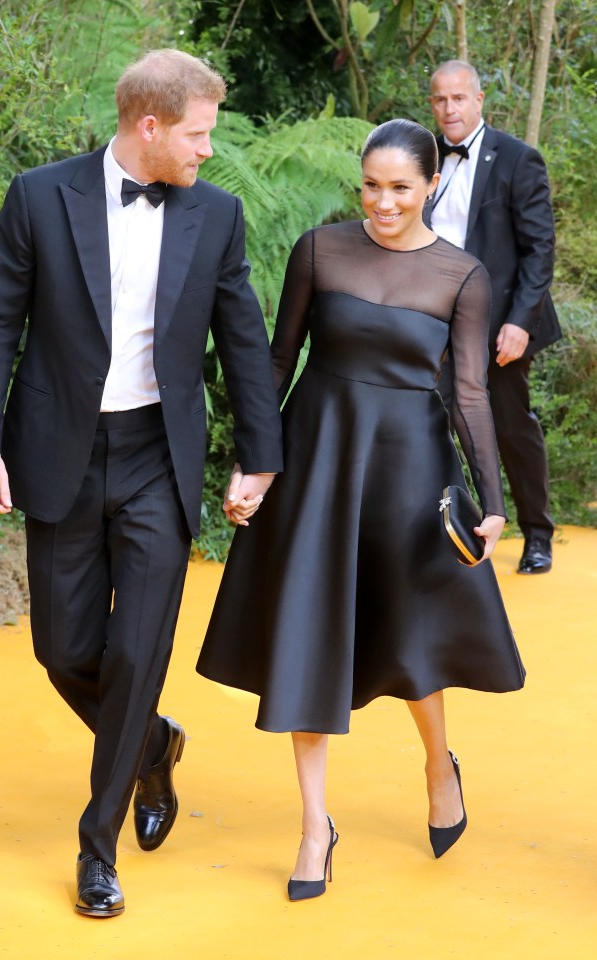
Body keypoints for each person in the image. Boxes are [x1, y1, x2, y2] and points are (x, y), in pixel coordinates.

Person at [0, 49, 283, 918]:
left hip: (158, 458)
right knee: (63, 649)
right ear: (149, 126)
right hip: (58, 450)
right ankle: (151, 743)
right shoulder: (39, 195)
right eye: (198, 133)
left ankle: (96, 848)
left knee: (138, 652)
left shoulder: (215, 216)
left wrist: (260, 454)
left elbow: (242, 339)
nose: (206, 150)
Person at [196, 119, 525, 901]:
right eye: (371, 185)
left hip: (409, 471)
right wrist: (253, 463)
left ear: (431, 185)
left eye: (400, 187)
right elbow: (278, 362)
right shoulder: (319, 249)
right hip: (317, 459)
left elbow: (471, 392)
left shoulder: (461, 275)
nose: (382, 201)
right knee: (306, 637)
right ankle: (314, 827)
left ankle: (437, 764)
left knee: (409, 636)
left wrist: (491, 500)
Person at [427, 60, 561, 574]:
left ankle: (537, 533)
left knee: (509, 426)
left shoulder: (518, 159)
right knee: (432, 421)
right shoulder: (425, 156)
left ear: (479, 100)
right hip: (436, 319)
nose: (449, 109)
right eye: (440, 99)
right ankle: (454, 528)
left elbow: (539, 248)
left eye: (458, 98)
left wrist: (521, 322)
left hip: (502, 320)